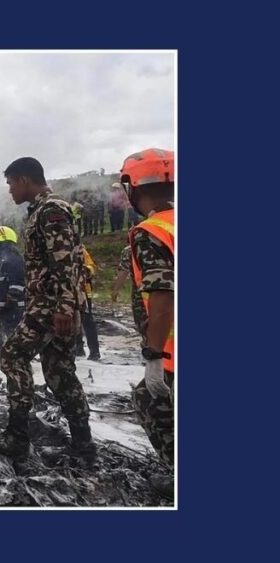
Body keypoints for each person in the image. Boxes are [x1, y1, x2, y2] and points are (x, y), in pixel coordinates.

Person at [0, 157, 94, 460]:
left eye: (10, 183)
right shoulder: (43, 210)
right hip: (53, 304)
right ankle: (84, 446)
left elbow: (65, 262)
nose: (9, 191)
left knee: (13, 354)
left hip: (50, 305)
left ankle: (17, 437)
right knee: (60, 373)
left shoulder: (51, 210)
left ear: (24, 180)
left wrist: (64, 307)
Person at [121, 148, 175, 493]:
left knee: (149, 400)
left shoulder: (150, 231)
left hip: (172, 347)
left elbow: (162, 293)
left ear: (133, 188)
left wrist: (154, 356)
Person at [0, 226, 25, 352]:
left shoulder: (12, 259)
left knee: (11, 327)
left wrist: (12, 296)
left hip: (11, 304)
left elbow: (18, 280)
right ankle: (1, 345)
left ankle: (15, 350)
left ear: (4, 242)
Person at [111, 245, 148, 344]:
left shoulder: (131, 249)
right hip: (167, 292)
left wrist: (116, 290)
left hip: (141, 294)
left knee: (144, 324)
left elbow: (123, 272)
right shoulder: (167, 243)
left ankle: (150, 347)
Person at [75, 245, 101, 360]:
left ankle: (94, 351)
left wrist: (85, 270)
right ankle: (78, 348)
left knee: (87, 319)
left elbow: (91, 267)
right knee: (72, 318)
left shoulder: (79, 249)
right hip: (66, 289)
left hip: (83, 289)